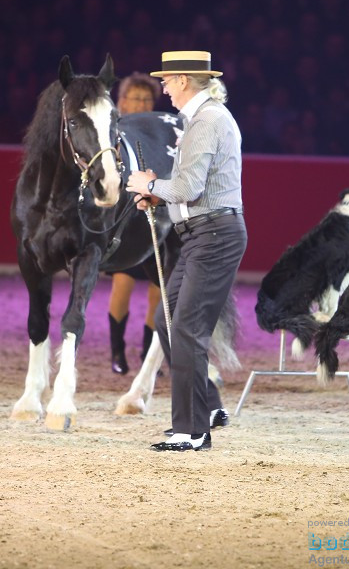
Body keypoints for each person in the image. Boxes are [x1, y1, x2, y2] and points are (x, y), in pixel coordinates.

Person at [126, 51, 246, 452]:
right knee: (168, 322)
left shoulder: (207, 121)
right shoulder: (201, 119)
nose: (162, 88)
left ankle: (191, 432)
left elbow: (187, 189)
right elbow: (193, 188)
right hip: (203, 233)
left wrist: (149, 185)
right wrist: (159, 197)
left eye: (166, 81)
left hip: (213, 236)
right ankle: (205, 411)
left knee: (185, 329)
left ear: (182, 80)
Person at [107, 72, 164, 374]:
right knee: (123, 284)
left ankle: (147, 353)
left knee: (158, 288)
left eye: (146, 98)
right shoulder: (113, 130)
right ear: (123, 101)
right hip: (126, 220)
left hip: (154, 215)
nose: (141, 103)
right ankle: (117, 352)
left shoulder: (160, 132)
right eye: (136, 98)